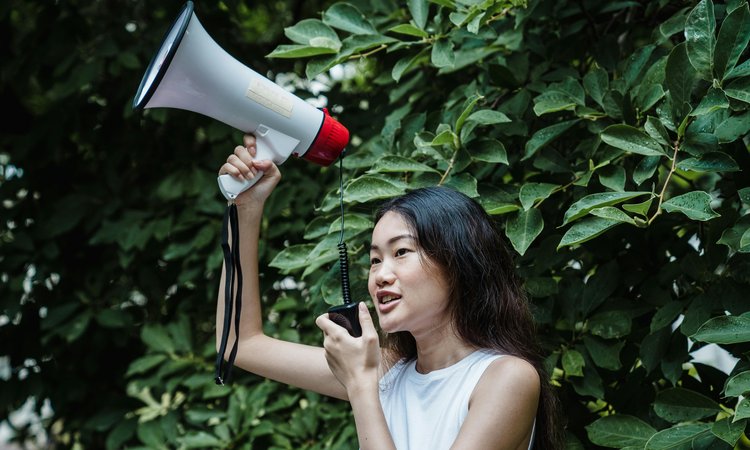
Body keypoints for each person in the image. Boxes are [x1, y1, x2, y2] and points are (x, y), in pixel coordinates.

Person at [216, 134, 563, 449]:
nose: (381, 274)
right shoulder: (388, 370)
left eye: (401, 253)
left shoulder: (506, 378)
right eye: (374, 259)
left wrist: (361, 386)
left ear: (458, 263)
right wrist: (245, 209)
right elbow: (241, 343)